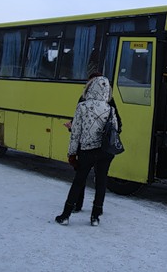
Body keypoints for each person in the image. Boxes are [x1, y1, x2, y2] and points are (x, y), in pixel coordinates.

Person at [55, 75, 119, 226]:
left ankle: (65, 215)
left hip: (87, 150)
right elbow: (114, 130)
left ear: (90, 88)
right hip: (105, 152)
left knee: (79, 181)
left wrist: (71, 154)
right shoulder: (110, 109)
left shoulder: (82, 107)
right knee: (101, 182)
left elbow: (75, 133)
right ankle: (95, 217)